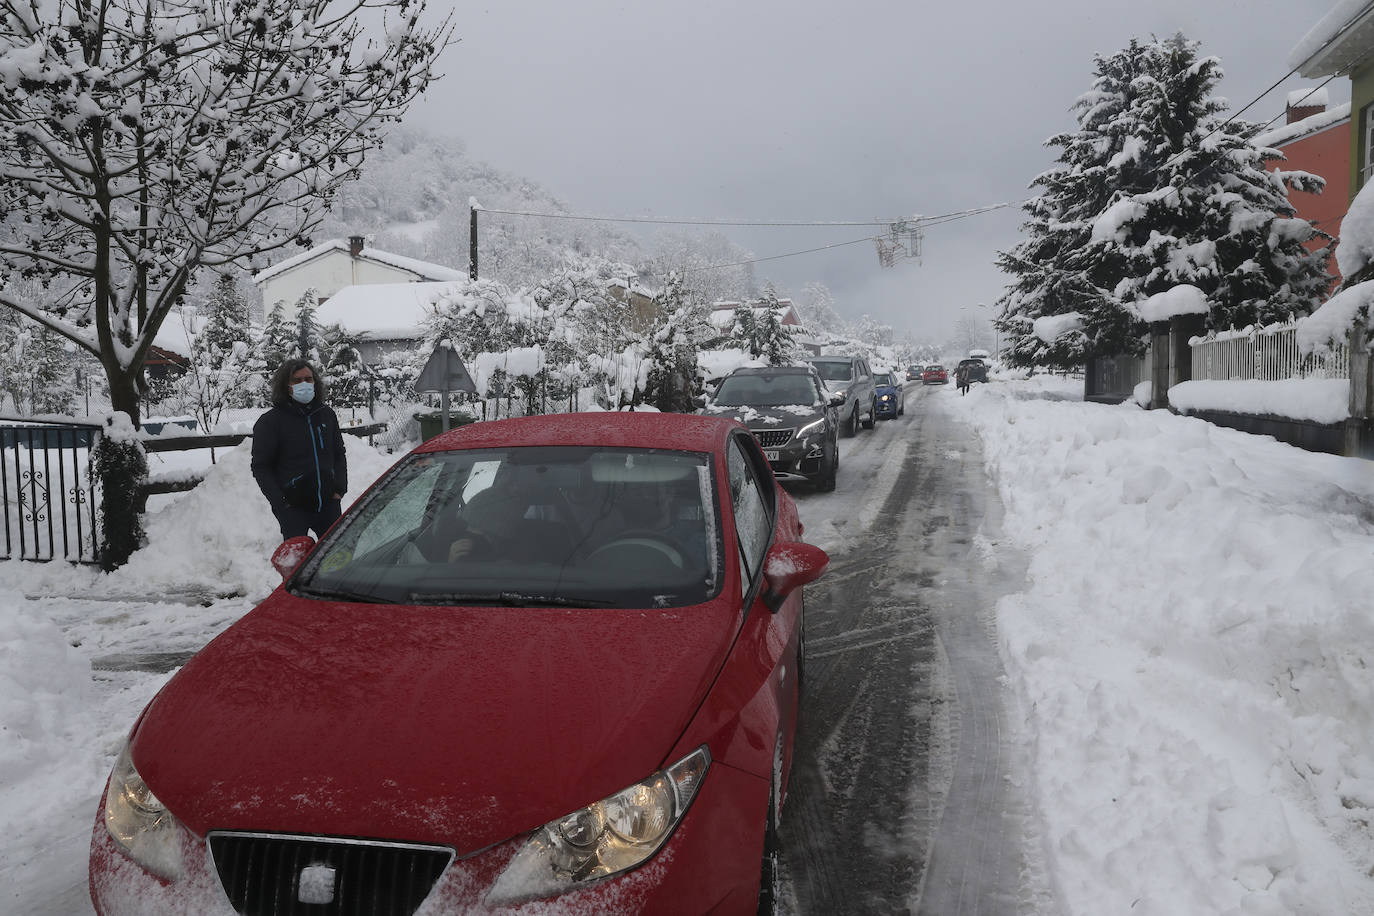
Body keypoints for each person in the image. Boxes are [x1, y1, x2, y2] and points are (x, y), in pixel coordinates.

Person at [251, 359, 349, 541]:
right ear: (285, 385)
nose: (304, 384)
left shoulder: (327, 415)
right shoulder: (270, 422)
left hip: (328, 503)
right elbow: (261, 467)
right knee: (297, 562)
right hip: (293, 509)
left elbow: (338, 453)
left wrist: (339, 490)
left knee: (337, 560)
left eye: (308, 379)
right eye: (297, 380)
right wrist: (281, 503)